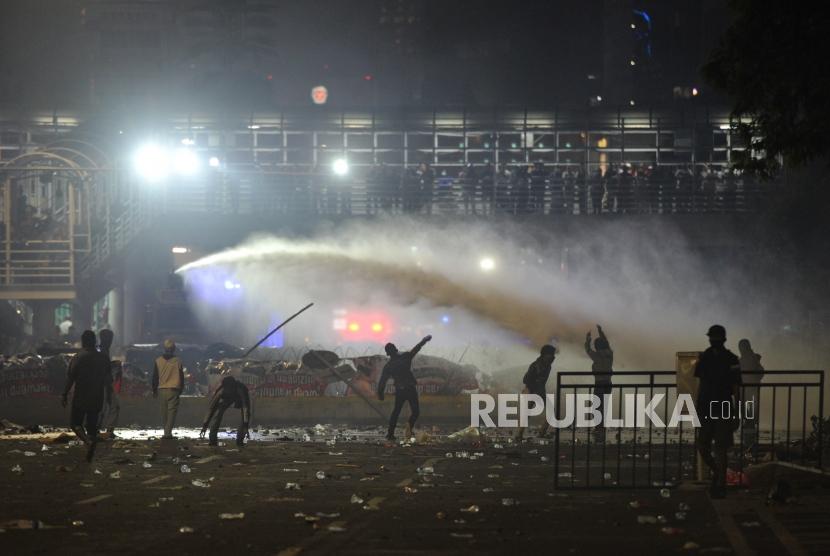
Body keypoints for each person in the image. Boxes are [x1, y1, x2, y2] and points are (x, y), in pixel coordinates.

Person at [694, 324, 742, 498]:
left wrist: (737, 411)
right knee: (703, 445)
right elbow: (701, 385)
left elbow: (736, 387)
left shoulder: (730, 359)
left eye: (714, 338)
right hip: (710, 405)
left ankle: (720, 483)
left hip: (720, 405)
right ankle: (718, 474)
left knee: (719, 447)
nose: (713, 341)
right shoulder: (707, 357)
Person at [61, 330, 111, 461]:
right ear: (95, 341)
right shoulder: (103, 358)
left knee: (75, 423)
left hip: (81, 396)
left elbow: (71, 377)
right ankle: (90, 448)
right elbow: (108, 379)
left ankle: (88, 443)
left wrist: (64, 394)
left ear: (83, 342)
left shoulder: (78, 357)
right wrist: (109, 395)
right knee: (92, 427)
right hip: (97, 396)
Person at [377, 335, 432, 441]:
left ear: (388, 353)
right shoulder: (405, 357)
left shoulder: (389, 365)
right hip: (410, 388)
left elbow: (382, 381)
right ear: (396, 350)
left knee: (396, 412)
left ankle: (390, 433)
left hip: (400, 390)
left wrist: (380, 393)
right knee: (415, 412)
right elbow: (416, 349)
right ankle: (409, 428)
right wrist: (424, 340)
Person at [516, 344, 557, 441]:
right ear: (544, 355)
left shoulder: (548, 365)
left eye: (553, 354)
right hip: (532, 391)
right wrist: (529, 390)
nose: (553, 357)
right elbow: (526, 379)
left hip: (540, 391)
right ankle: (519, 434)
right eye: (550, 354)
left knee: (551, 410)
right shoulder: (535, 365)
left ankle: (541, 433)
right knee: (527, 413)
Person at [200, 376, 251, 447]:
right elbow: (211, 408)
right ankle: (212, 440)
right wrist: (205, 425)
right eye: (227, 389)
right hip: (227, 399)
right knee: (218, 413)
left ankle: (240, 441)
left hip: (239, 400)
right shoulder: (221, 391)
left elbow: (245, 408)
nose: (229, 390)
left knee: (245, 417)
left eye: (230, 389)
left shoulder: (241, 389)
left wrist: (245, 426)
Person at [152, 339, 184, 440]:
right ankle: (167, 433)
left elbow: (155, 377)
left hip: (161, 389)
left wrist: (154, 390)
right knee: (171, 413)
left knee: (164, 413)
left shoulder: (158, 361)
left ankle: (167, 432)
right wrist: (181, 389)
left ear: (164, 348)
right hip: (173, 390)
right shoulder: (178, 361)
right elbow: (181, 376)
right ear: (174, 349)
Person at [585, 325, 613, 441]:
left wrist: (587, 340)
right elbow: (606, 342)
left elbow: (587, 349)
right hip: (608, 383)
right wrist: (601, 332)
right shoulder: (609, 353)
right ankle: (602, 428)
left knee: (597, 407)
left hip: (599, 383)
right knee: (604, 406)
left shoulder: (596, 355)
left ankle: (598, 428)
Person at [738, 338, 764, 455]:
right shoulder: (752, 359)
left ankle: (749, 444)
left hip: (748, 393)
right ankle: (749, 444)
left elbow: (760, 373)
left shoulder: (749, 359)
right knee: (749, 419)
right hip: (748, 393)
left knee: (749, 419)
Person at [98, 329, 119, 439]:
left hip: (102, 383)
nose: (111, 341)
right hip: (104, 384)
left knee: (106, 407)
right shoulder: (103, 352)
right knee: (109, 407)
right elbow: (103, 370)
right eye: (109, 338)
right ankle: (106, 430)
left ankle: (103, 430)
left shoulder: (101, 350)